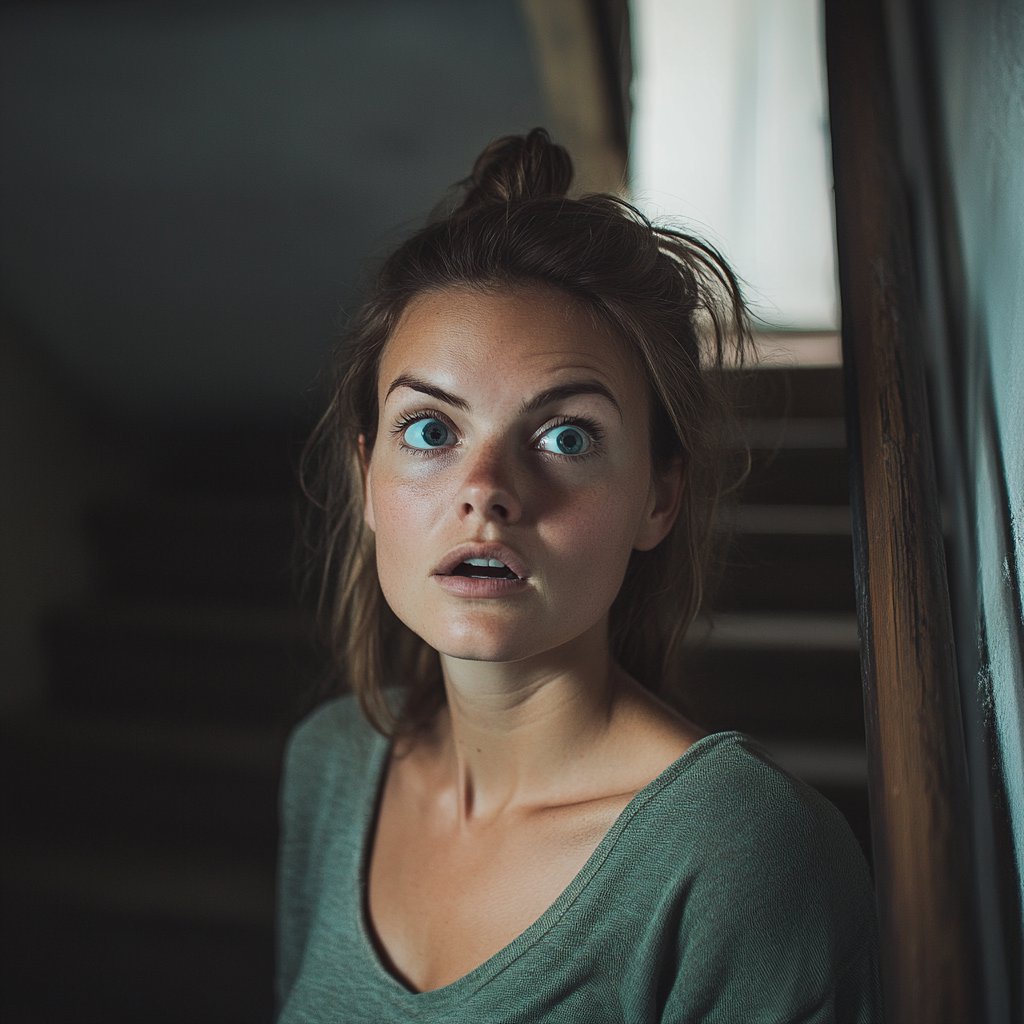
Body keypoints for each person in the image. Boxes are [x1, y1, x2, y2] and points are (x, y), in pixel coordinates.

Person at [276, 128, 881, 1023]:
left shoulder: (744, 856)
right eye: (431, 431)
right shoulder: (330, 763)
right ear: (368, 476)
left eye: (567, 437)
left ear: (658, 499)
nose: (485, 492)